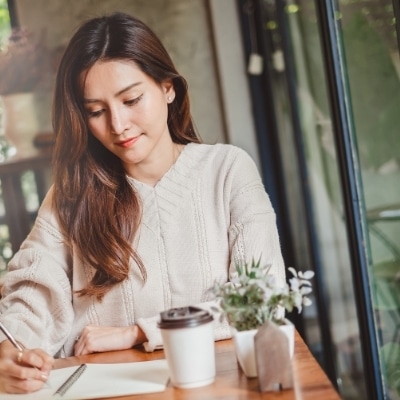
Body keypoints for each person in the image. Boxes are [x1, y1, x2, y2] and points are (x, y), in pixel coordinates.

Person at [0, 12, 286, 394]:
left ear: (168, 88)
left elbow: (264, 300)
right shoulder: (71, 195)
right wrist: (11, 347)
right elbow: (34, 288)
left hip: (221, 389)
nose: (118, 125)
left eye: (131, 99)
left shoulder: (228, 171)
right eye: (96, 111)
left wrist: (138, 332)